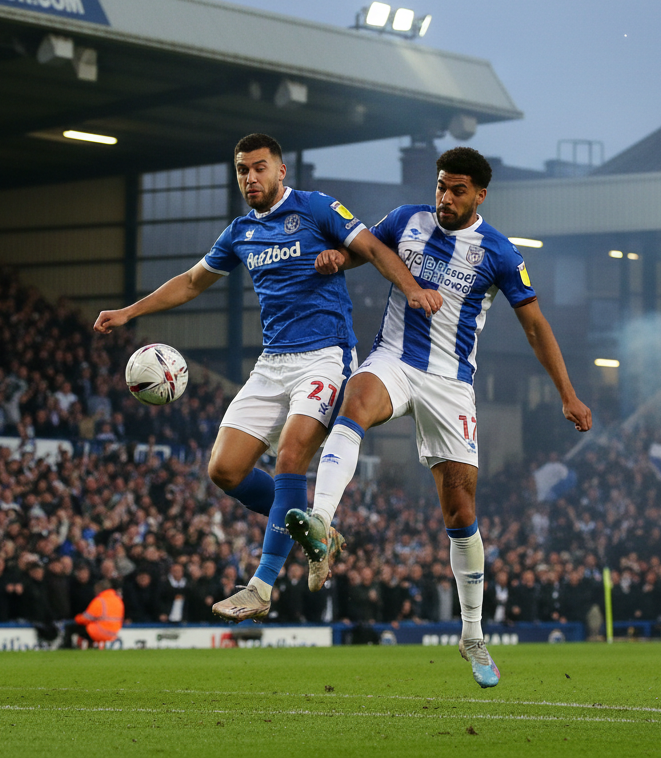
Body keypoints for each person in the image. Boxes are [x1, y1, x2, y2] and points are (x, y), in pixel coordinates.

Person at [93, 133, 440, 621]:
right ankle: (314, 531)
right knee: (224, 470)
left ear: (281, 171)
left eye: (259, 167)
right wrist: (130, 312)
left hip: (324, 356)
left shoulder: (317, 208)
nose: (250, 177)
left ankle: (261, 585)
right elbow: (191, 282)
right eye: (242, 170)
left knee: (290, 458)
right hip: (272, 363)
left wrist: (413, 287)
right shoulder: (240, 232)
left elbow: (375, 248)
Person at [288, 147, 591, 688]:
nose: (445, 198)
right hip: (393, 359)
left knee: (460, 512)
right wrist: (339, 258)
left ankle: (472, 635)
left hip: (451, 386)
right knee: (355, 401)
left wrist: (567, 394)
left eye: (457, 190)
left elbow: (535, 327)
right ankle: (322, 523)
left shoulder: (499, 252)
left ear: (480, 195)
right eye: (441, 186)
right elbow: (367, 249)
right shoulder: (407, 220)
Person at [65, 580, 124, 648]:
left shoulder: (100, 600)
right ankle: (92, 646)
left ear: (100, 589)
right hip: (114, 632)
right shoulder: (118, 600)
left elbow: (86, 618)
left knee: (71, 628)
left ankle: (67, 647)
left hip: (100, 631)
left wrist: (77, 618)